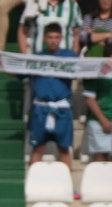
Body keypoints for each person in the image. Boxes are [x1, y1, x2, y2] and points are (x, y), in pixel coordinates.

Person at [27, 23, 79, 165]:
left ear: (61, 38)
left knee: (63, 149)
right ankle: (32, 185)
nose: (53, 40)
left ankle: (68, 185)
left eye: (56, 37)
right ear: (44, 38)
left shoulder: (69, 57)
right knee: (38, 148)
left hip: (62, 109)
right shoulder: (36, 58)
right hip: (41, 109)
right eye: (50, 37)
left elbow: (84, 70)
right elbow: (18, 71)